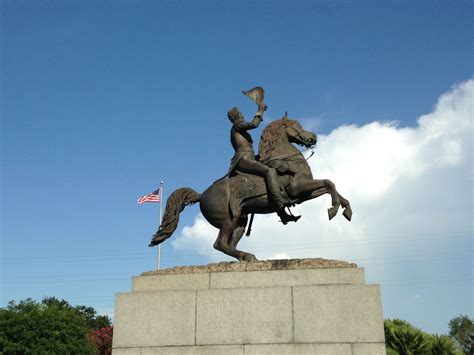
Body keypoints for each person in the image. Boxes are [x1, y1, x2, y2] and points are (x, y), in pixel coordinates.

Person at [227, 104, 299, 224]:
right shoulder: (237, 126)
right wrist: (259, 111)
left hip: (250, 157)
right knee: (269, 171)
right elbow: (254, 124)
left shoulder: (237, 128)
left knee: (272, 164)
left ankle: (283, 215)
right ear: (236, 116)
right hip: (243, 159)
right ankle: (279, 201)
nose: (242, 115)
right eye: (240, 113)